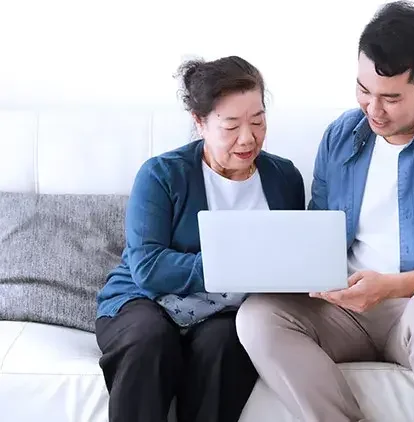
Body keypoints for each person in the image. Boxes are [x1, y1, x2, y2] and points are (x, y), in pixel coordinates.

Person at [235, 2, 414, 422]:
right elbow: (322, 232)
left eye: (390, 98)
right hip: (349, 309)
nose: (372, 109)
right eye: (363, 90)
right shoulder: (341, 136)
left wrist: (391, 286)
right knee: (258, 316)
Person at [94, 55, 306, 422]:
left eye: (258, 121)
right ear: (200, 123)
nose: (248, 138)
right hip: (143, 302)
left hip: (224, 314)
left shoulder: (284, 177)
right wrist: (235, 263)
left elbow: (290, 259)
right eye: (231, 126)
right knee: (149, 340)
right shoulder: (161, 175)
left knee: (226, 345)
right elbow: (148, 268)